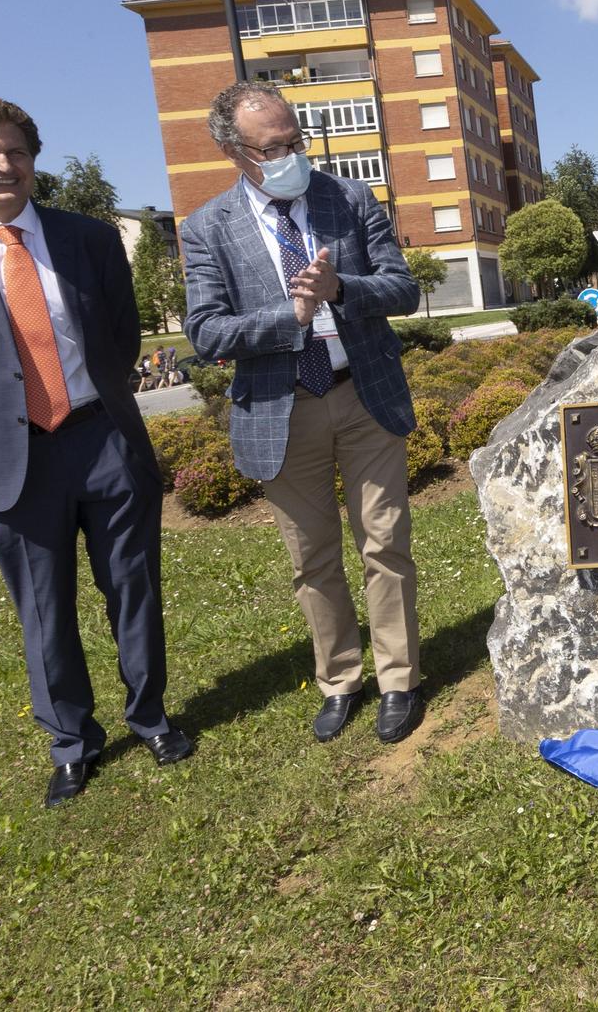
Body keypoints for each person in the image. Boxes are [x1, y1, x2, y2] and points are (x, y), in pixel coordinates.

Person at [0, 96, 191, 808]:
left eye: (15, 150)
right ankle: (72, 743)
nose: (3, 164)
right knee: (43, 610)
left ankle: (150, 716)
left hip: (104, 439)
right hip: (12, 456)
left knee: (134, 590)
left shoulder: (87, 237)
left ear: (33, 156)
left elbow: (121, 336)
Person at [180, 81, 428, 746]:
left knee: (385, 543)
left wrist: (342, 288)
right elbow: (205, 333)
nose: (291, 154)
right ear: (233, 150)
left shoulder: (347, 197)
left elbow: (401, 287)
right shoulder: (207, 228)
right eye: (273, 147)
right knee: (312, 556)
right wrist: (288, 316)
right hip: (281, 410)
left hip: (364, 394)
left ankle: (399, 677)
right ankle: (341, 678)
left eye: (296, 141)